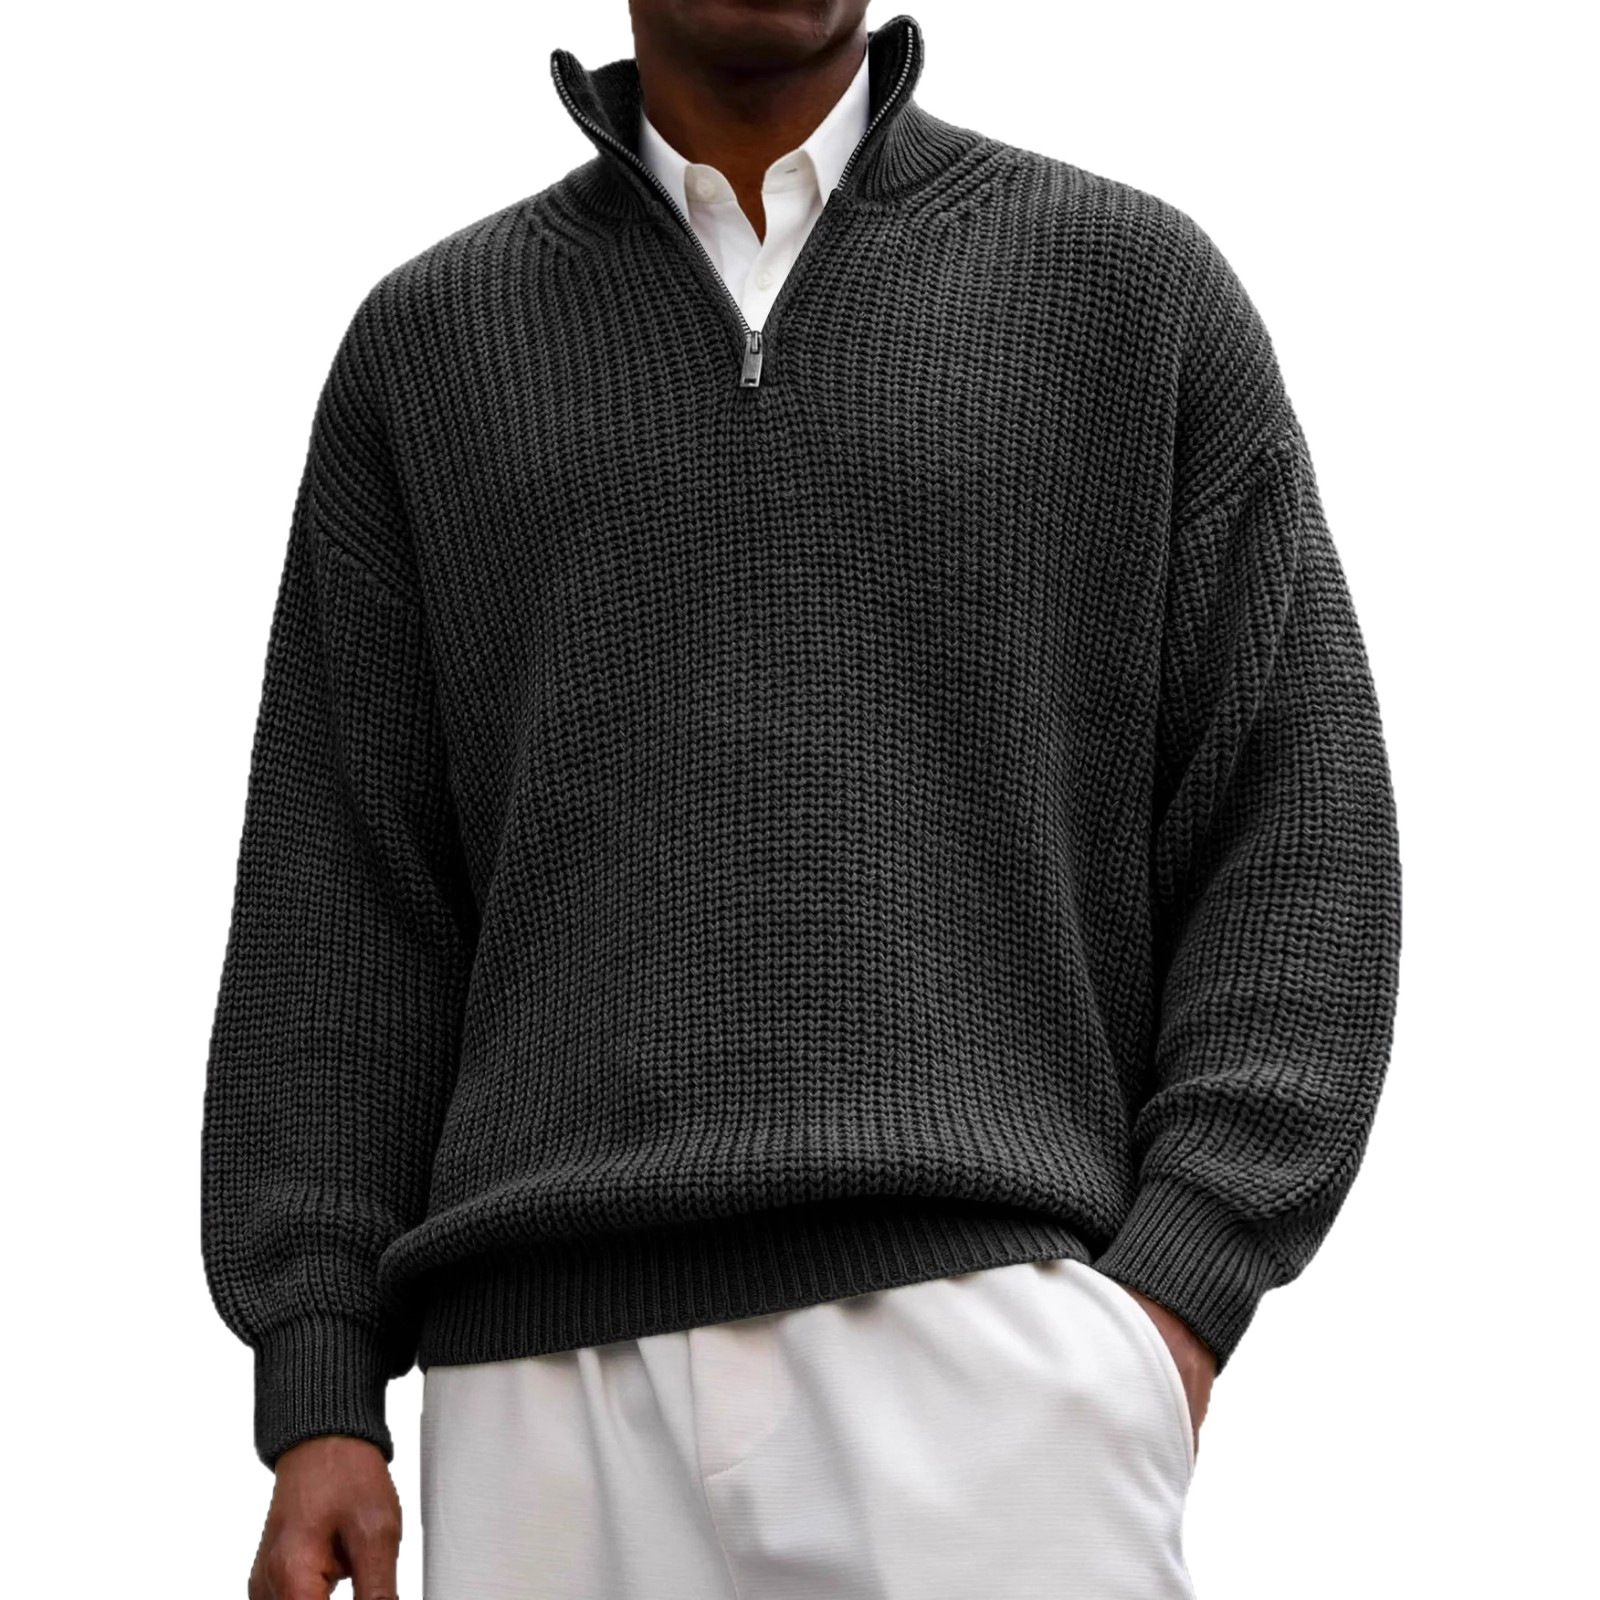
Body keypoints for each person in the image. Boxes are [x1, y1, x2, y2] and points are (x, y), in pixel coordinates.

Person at [200, 5, 1403, 1597]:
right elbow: (343, 895)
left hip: (989, 1355)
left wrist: (1172, 1297)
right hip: (536, 1392)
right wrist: (319, 1381)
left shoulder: (1128, 291)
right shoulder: (430, 348)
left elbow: (1298, 826)